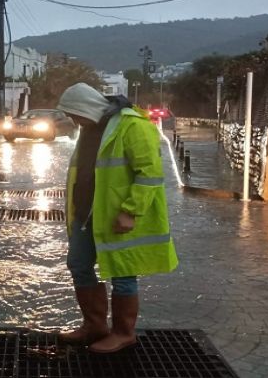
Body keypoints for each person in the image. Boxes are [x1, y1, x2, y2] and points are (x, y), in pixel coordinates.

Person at [55, 83, 178, 354]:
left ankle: (124, 333)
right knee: (78, 264)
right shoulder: (89, 129)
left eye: (73, 114)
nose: (72, 120)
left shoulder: (133, 126)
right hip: (87, 214)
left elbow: (150, 174)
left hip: (117, 215)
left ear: (86, 108)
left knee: (122, 272)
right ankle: (94, 326)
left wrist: (130, 211)